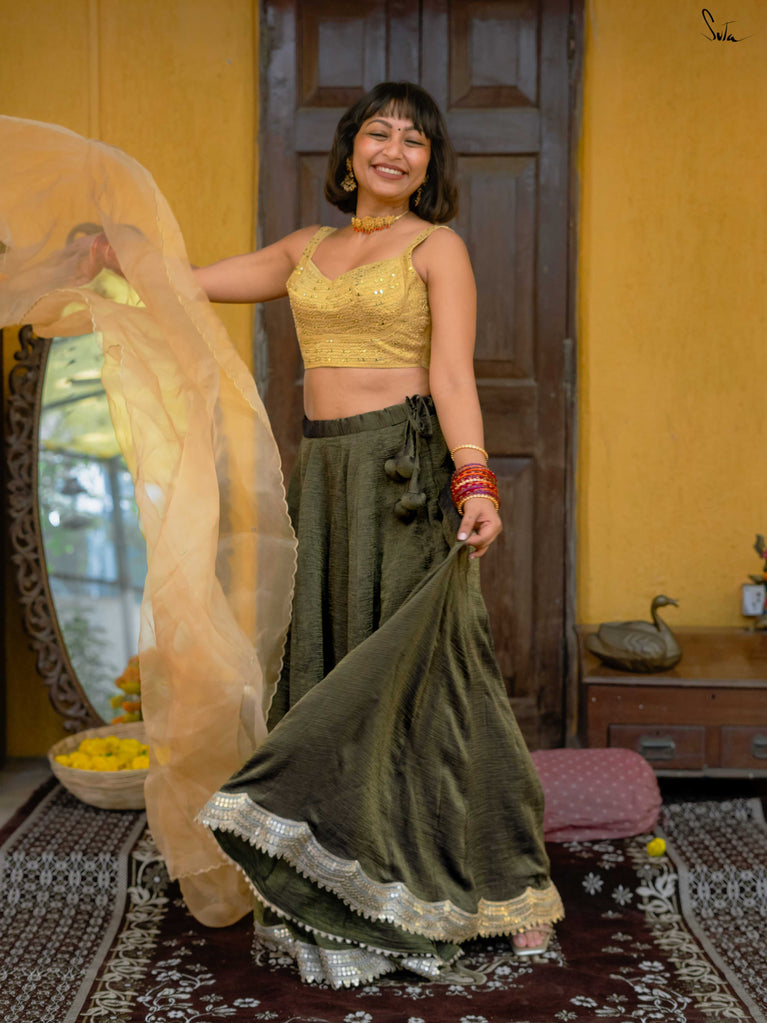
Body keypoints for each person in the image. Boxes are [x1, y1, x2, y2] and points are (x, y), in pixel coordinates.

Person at [194, 81, 564, 989]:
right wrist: (111, 262)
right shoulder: (303, 249)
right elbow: (190, 282)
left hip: (404, 474)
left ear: (428, 165)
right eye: (378, 133)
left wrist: (473, 477)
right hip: (324, 476)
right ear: (350, 149)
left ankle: (508, 883)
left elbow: (452, 373)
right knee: (328, 666)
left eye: (414, 140)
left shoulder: (438, 247)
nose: (394, 150)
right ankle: (345, 878)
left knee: (436, 673)